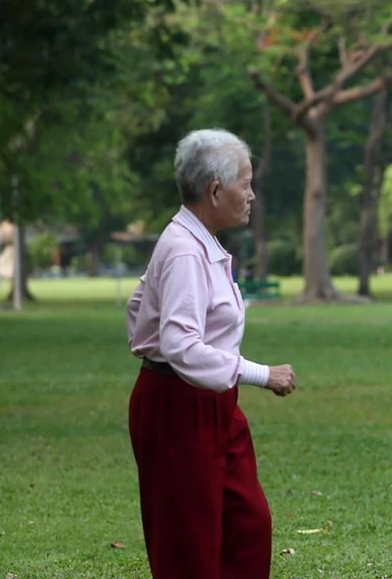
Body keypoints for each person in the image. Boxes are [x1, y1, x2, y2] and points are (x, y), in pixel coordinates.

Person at [126, 129, 297, 578]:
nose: (252, 194)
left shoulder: (196, 242)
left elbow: (138, 306)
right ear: (215, 190)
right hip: (178, 407)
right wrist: (263, 374)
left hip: (215, 404)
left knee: (247, 526)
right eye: (246, 182)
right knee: (190, 546)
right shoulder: (184, 249)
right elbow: (181, 346)